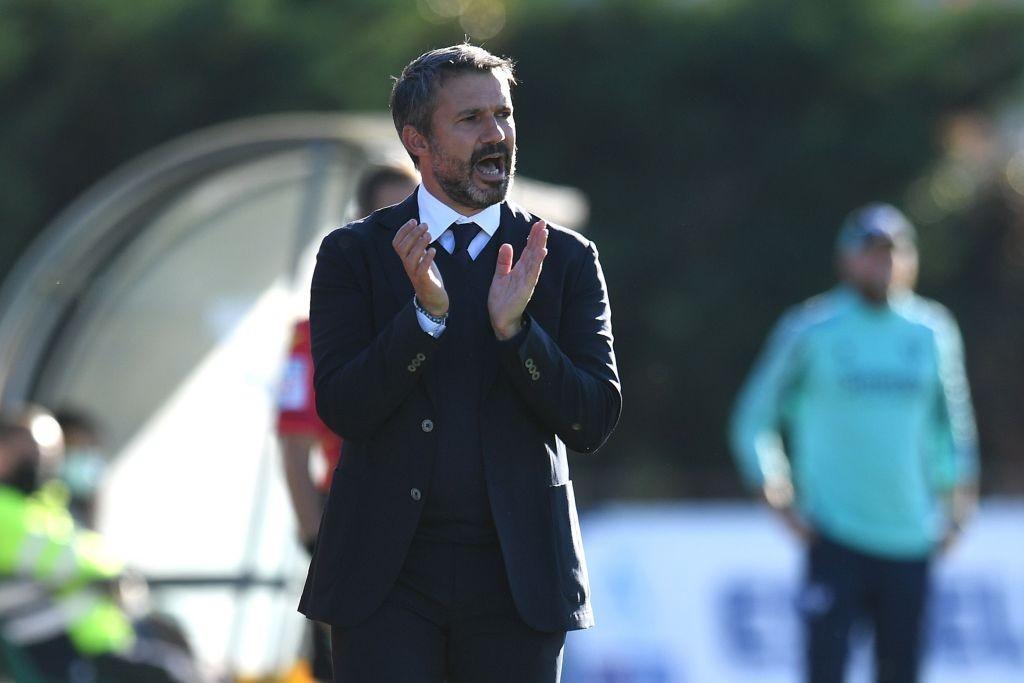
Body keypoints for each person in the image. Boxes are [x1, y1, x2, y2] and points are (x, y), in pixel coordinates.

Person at [297, 44, 621, 682]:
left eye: (503, 115)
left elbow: (592, 420)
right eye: (470, 119)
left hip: (519, 580)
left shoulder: (565, 258)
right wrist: (423, 320)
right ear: (415, 140)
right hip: (383, 581)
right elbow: (342, 408)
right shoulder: (353, 255)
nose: (496, 134)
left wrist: (517, 332)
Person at [730, 204, 980, 683]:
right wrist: (773, 486)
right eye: (870, 252)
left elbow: (953, 424)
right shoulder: (812, 330)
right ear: (846, 259)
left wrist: (960, 500)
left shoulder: (931, 331)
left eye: (893, 252)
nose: (882, 263)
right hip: (835, 536)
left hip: (910, 538)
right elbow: (753, 417)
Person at [276, 163, 417, 682]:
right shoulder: (312, 334)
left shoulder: (458, 314)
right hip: (354, 516)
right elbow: (292, 446)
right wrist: (322, 543)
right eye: (389, 216)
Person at [0, 410, 199, 682]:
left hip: (89, 644)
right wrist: (109, 569)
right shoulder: (6, 510)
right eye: (27, 451)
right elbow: (72, 556)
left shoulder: (42, 506)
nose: (40, 462)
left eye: (46, 453)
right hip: (56, 648)